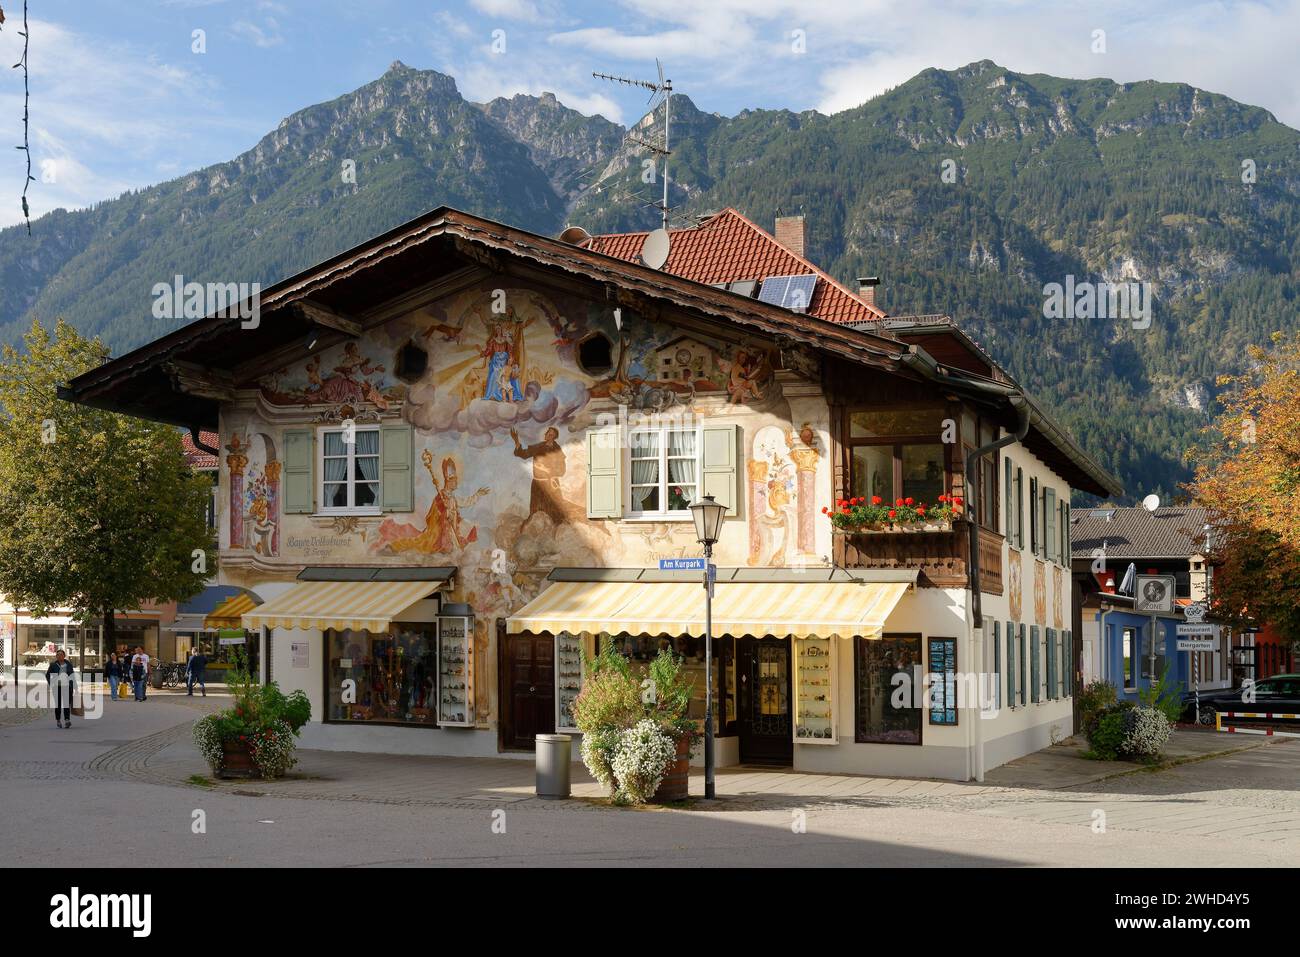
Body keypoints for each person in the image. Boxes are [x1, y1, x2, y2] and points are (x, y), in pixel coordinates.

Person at [46, 649, 76, 729]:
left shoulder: (68, 664)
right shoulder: (53, 665)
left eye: (61, 654)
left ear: (64, 656)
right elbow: (47, 675)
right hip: (57, 687)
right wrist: (51, 683)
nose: (60, 656)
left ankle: (67, 720)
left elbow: (72, 675)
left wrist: (74, 687)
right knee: (58, 705)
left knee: (66, 704)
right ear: (56, 656)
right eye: (58, 655)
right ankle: (58, 720)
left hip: (67, 687)